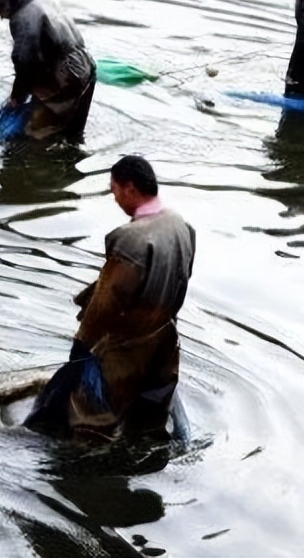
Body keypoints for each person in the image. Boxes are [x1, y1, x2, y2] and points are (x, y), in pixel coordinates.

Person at [24, 155, 196, 440]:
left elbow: (109, 299)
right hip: (164, 344)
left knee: (89, 419)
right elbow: (182, 278)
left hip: (127, 348)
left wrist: (81, 345)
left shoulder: (130, 239)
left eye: (114, 189)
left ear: (130, 188)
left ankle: (83, 476)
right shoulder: (180, 225)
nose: (114, 197)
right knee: (148, 420)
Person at [0, 0, 97, 140]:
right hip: (86, 67)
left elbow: (26, 63)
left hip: (68, 77)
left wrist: (16, 99)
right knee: (71, 133)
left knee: (34, 131)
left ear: (4, 3)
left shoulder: (22, 18)